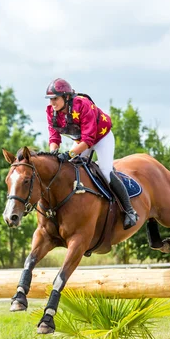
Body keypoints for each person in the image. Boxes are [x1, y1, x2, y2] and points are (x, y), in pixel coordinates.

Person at [45, 78, 138, 229]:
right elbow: (54, 137)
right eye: (50, 99)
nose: (52, 103)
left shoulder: (82, 104)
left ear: (66, 97)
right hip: (81, 140)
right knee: (69, 169)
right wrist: (53, 154)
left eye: (55, 99)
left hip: (101, 138)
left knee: (105, 171)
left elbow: (89, 140)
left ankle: (130, 211)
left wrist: (69, 154)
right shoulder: (51, 112)